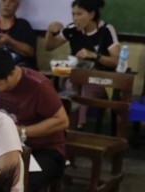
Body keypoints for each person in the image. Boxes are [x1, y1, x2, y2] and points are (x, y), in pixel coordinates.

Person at [0, 46, 69, 192]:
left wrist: (21, 131)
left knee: (18, 188)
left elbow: (62, 121)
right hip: (8, 149)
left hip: (45, 151)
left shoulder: (38, 86)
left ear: (12, 73)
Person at [45, 0, 120, 128]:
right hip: (75, 78)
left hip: (99, 80)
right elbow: (50, 46)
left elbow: (116, 61)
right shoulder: (72, 29)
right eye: (73, 14)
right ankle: (62, 125)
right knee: (69, 88)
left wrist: (95, 55)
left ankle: (75, 126)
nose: (75, 18)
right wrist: (50, 32)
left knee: (82, 90)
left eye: (79, 14)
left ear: (91, 14)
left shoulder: (106, 30)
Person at [0, 0, 37, 69]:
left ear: (17, 6)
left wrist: (9, 41)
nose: (6, 4)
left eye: (11, 1)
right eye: (4, 0)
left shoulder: (23, 25)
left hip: (18, 71)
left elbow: (30, 52)